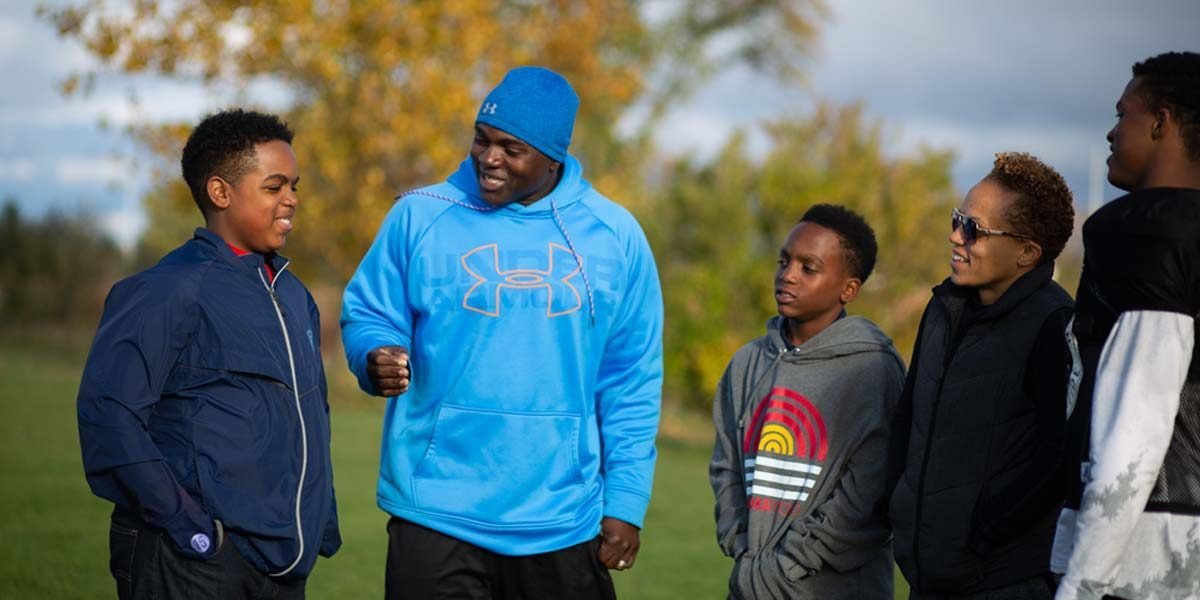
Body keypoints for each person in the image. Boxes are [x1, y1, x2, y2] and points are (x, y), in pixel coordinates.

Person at [340, 66, 663, 599]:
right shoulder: (419, 215)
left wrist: (626, 501)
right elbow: (370, 311)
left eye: (512, 149)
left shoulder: (615, 236)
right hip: (435, 510)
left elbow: (631, 378)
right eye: (482, 140)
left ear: (553, 157)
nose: (489, 159)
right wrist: (372, 353)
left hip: (562, 517)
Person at [77, 109, 340, 599]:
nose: (292, 200)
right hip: (193, 560)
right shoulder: (167, 290)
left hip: (283, 565)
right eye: (274, 186)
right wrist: (191, 529)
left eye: (294, 185)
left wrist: (319, 519)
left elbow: (309, 414)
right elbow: (109, 417)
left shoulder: (295, 296)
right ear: (220, 193)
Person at [888, 152, 1077, 599]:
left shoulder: (1055, 324)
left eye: (973, 229)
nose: (956, 237)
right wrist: (895, 501)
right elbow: (908, 415)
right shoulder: (941, 308)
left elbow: (1057, 460)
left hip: (1003, 582)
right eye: (958, 219)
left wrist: (983, 533)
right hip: (927, 579)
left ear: (1027, 253)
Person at [1051, 51, 1200, 600]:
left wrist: (1083, 583)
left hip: (1139, 559)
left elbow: (1136, 422)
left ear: (1161, 121)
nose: (1111, 133)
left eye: (1123, 114)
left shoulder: (1150, 232)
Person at [709, 204, 905, 599]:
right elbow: (725, 464)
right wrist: (741, 545)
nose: (788, 275)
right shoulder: (748, 362)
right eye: (784, 261)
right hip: (749, 585)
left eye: (808, 267)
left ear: (848, 289)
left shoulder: (872, 370)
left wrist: (789, 566)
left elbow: (868, 492)